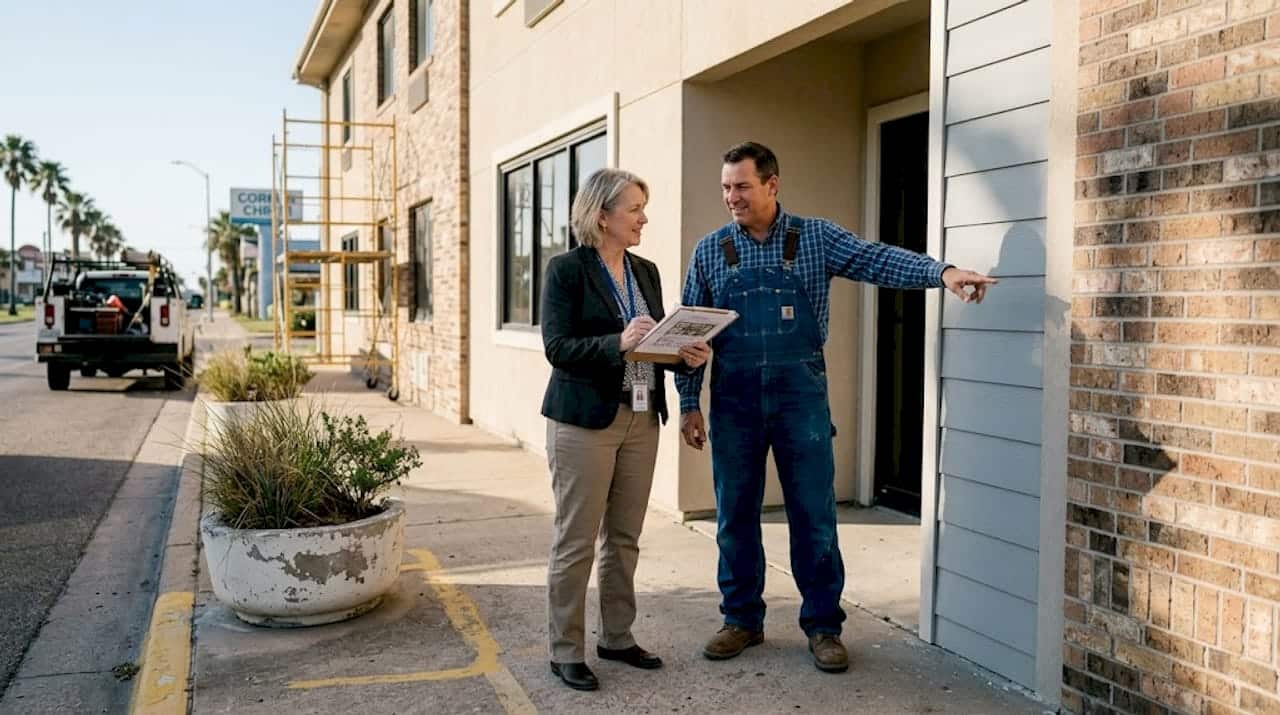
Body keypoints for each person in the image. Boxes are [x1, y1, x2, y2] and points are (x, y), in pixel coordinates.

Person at [675, 142, 996, 673]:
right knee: (734, 515)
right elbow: (690, 331)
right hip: (734, 403)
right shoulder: (711, 250)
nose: (731, 197)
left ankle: (823, 626)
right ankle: (741, 619)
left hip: (800, 399)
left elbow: (877, 259)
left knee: (814, 515)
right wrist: (690, 403)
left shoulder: (815, 238)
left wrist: (942, 273)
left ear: (772, 184)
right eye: (726, 187)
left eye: (742, 186)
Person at [540, 168, 711, 691]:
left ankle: (617, 637)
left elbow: (651, 346)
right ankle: (565, 650)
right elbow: (558, 348)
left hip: (641, 416)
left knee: (625, 537)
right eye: (634, 209)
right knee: (576, 540)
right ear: (602, 216)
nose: (643, 218)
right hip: (584, 421)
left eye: (642, 208)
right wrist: (617, 341)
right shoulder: (566, 270)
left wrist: (684, 354)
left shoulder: (646, 271)